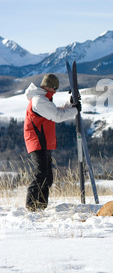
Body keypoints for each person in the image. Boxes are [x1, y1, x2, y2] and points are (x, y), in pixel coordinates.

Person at [24, 73, 81, 211]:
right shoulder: (39, 101)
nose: (55, 92)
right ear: (52, 88)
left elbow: (55, 110)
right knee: (41, 173)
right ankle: (31, 206)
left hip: (43, 142)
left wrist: (70, 103)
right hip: (37, 141)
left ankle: (41, 206)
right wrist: (75, 110)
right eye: (55, 89)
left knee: (47, 177)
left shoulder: (43, 99)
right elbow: (57, 116)